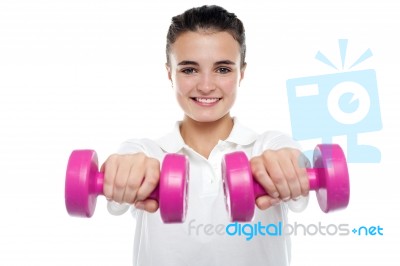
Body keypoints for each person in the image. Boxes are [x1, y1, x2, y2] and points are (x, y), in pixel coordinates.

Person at [103, 5, 309, 266]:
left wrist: (289, 166)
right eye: (189, 69)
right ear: (170, 73)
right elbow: (127, 159)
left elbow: (290, 154)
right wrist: (125, 170)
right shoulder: (146, 153)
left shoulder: (268, 147)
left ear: (241, 73)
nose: (206, 86)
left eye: (223, 69)